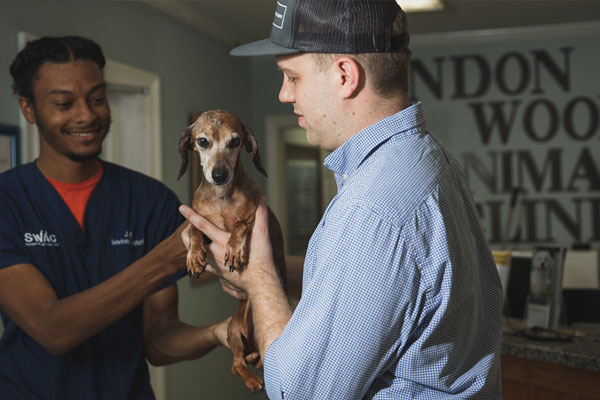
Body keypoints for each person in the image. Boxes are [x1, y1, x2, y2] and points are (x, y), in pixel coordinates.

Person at [179, 0, 504, 399]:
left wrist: (259, 280)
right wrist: (269, 264)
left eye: (291, 77)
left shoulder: (374, 209)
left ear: (345, 75)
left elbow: (301, 392)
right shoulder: (428, 160)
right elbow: (390, 285)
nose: (283, 94)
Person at [0, 36, 230, 399]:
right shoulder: (7, 202)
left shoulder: (149, 201)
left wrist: (219, 333)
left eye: (96, 99)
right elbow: (52, 329)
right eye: (63, 103)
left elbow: (159, 340)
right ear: (28, 109)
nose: (86, 115)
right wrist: (162, 260)